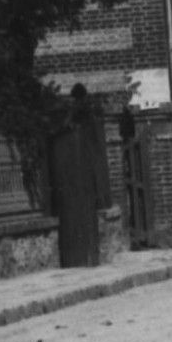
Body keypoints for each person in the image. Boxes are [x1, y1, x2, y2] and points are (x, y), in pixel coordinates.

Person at [47, 85, 109, 268]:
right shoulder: (90, 112)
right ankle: (89, 256)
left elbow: (67, 125)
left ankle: (85, 256)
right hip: (86, 167)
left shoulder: (78, 110)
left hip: (76, 167)